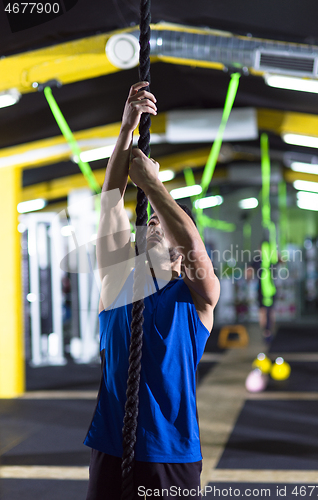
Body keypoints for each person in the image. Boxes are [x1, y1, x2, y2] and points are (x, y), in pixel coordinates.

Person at [84, 81, 220, 499]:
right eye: (150, 223)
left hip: (171, 455)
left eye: (162, 223)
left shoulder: (196, 299)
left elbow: (191, 243)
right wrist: (126, 129)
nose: (154, 225)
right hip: (111, 447)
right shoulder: (117, 282)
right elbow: (110, 203)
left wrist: (154, 187)